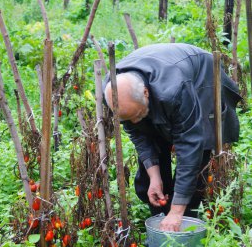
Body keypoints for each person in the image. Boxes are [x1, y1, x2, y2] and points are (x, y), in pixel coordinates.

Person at [103, 43, 241, 231]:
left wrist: (177, 211)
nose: (134, 122)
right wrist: (154, 177)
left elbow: (190, 148)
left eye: (136, 114)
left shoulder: (175, 91)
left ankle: (184, 220)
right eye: (128, 118)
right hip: (159, 79)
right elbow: (139, 135)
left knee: (198, 157)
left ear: (146, 93)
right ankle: (160, 215)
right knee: (149, 175)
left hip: (202, 78)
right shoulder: (114, 91)